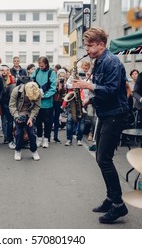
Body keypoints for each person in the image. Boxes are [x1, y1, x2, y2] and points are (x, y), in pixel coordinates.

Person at [72, 27, 129, 224]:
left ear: (102, 44)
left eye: (90, 45)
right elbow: (102, 91)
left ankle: (119, 205)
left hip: (115, 115)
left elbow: (112, 90)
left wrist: (87, 86)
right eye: (86, 45)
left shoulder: (112, 62)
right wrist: (89, 100)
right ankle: (110, 198)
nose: (86, 49)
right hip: (106, 113)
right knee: (101, 157)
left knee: (104, 158)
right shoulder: (99, 61)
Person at [9, 81, 41, 161]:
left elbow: (37, 107)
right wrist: (16, 117)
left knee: (32, 133)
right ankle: (18, 150)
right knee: (18, 133)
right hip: (19, 112)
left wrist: (31, 118)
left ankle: (34, 150)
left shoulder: (37, 92)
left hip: (30, 113)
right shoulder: (16, 91)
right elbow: (12, 105)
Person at [31, 56, 57, 148]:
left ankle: (46, 139)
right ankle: (38, 138)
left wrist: (44, 96)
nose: (40, 67)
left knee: (47, 122)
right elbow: (31, 81)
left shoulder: (51, 72)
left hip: (47, 103)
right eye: (39, 65)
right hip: (37, 103)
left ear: (46, 64)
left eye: (42, 66)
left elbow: (53, 88)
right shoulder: (37, 71)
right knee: (38, 121)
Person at [52, 68, 66, 143]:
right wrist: (58, 85)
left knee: (56, 119)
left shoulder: (64, 83)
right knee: (51, 118)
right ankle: (47, 136)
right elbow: (54, 91)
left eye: (63, 76)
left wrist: (62, 86)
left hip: (59, 102)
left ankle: (55, 136)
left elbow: (63, 92)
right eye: (60, 76)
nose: (62, 78)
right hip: (52, 101)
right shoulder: (55, 82)